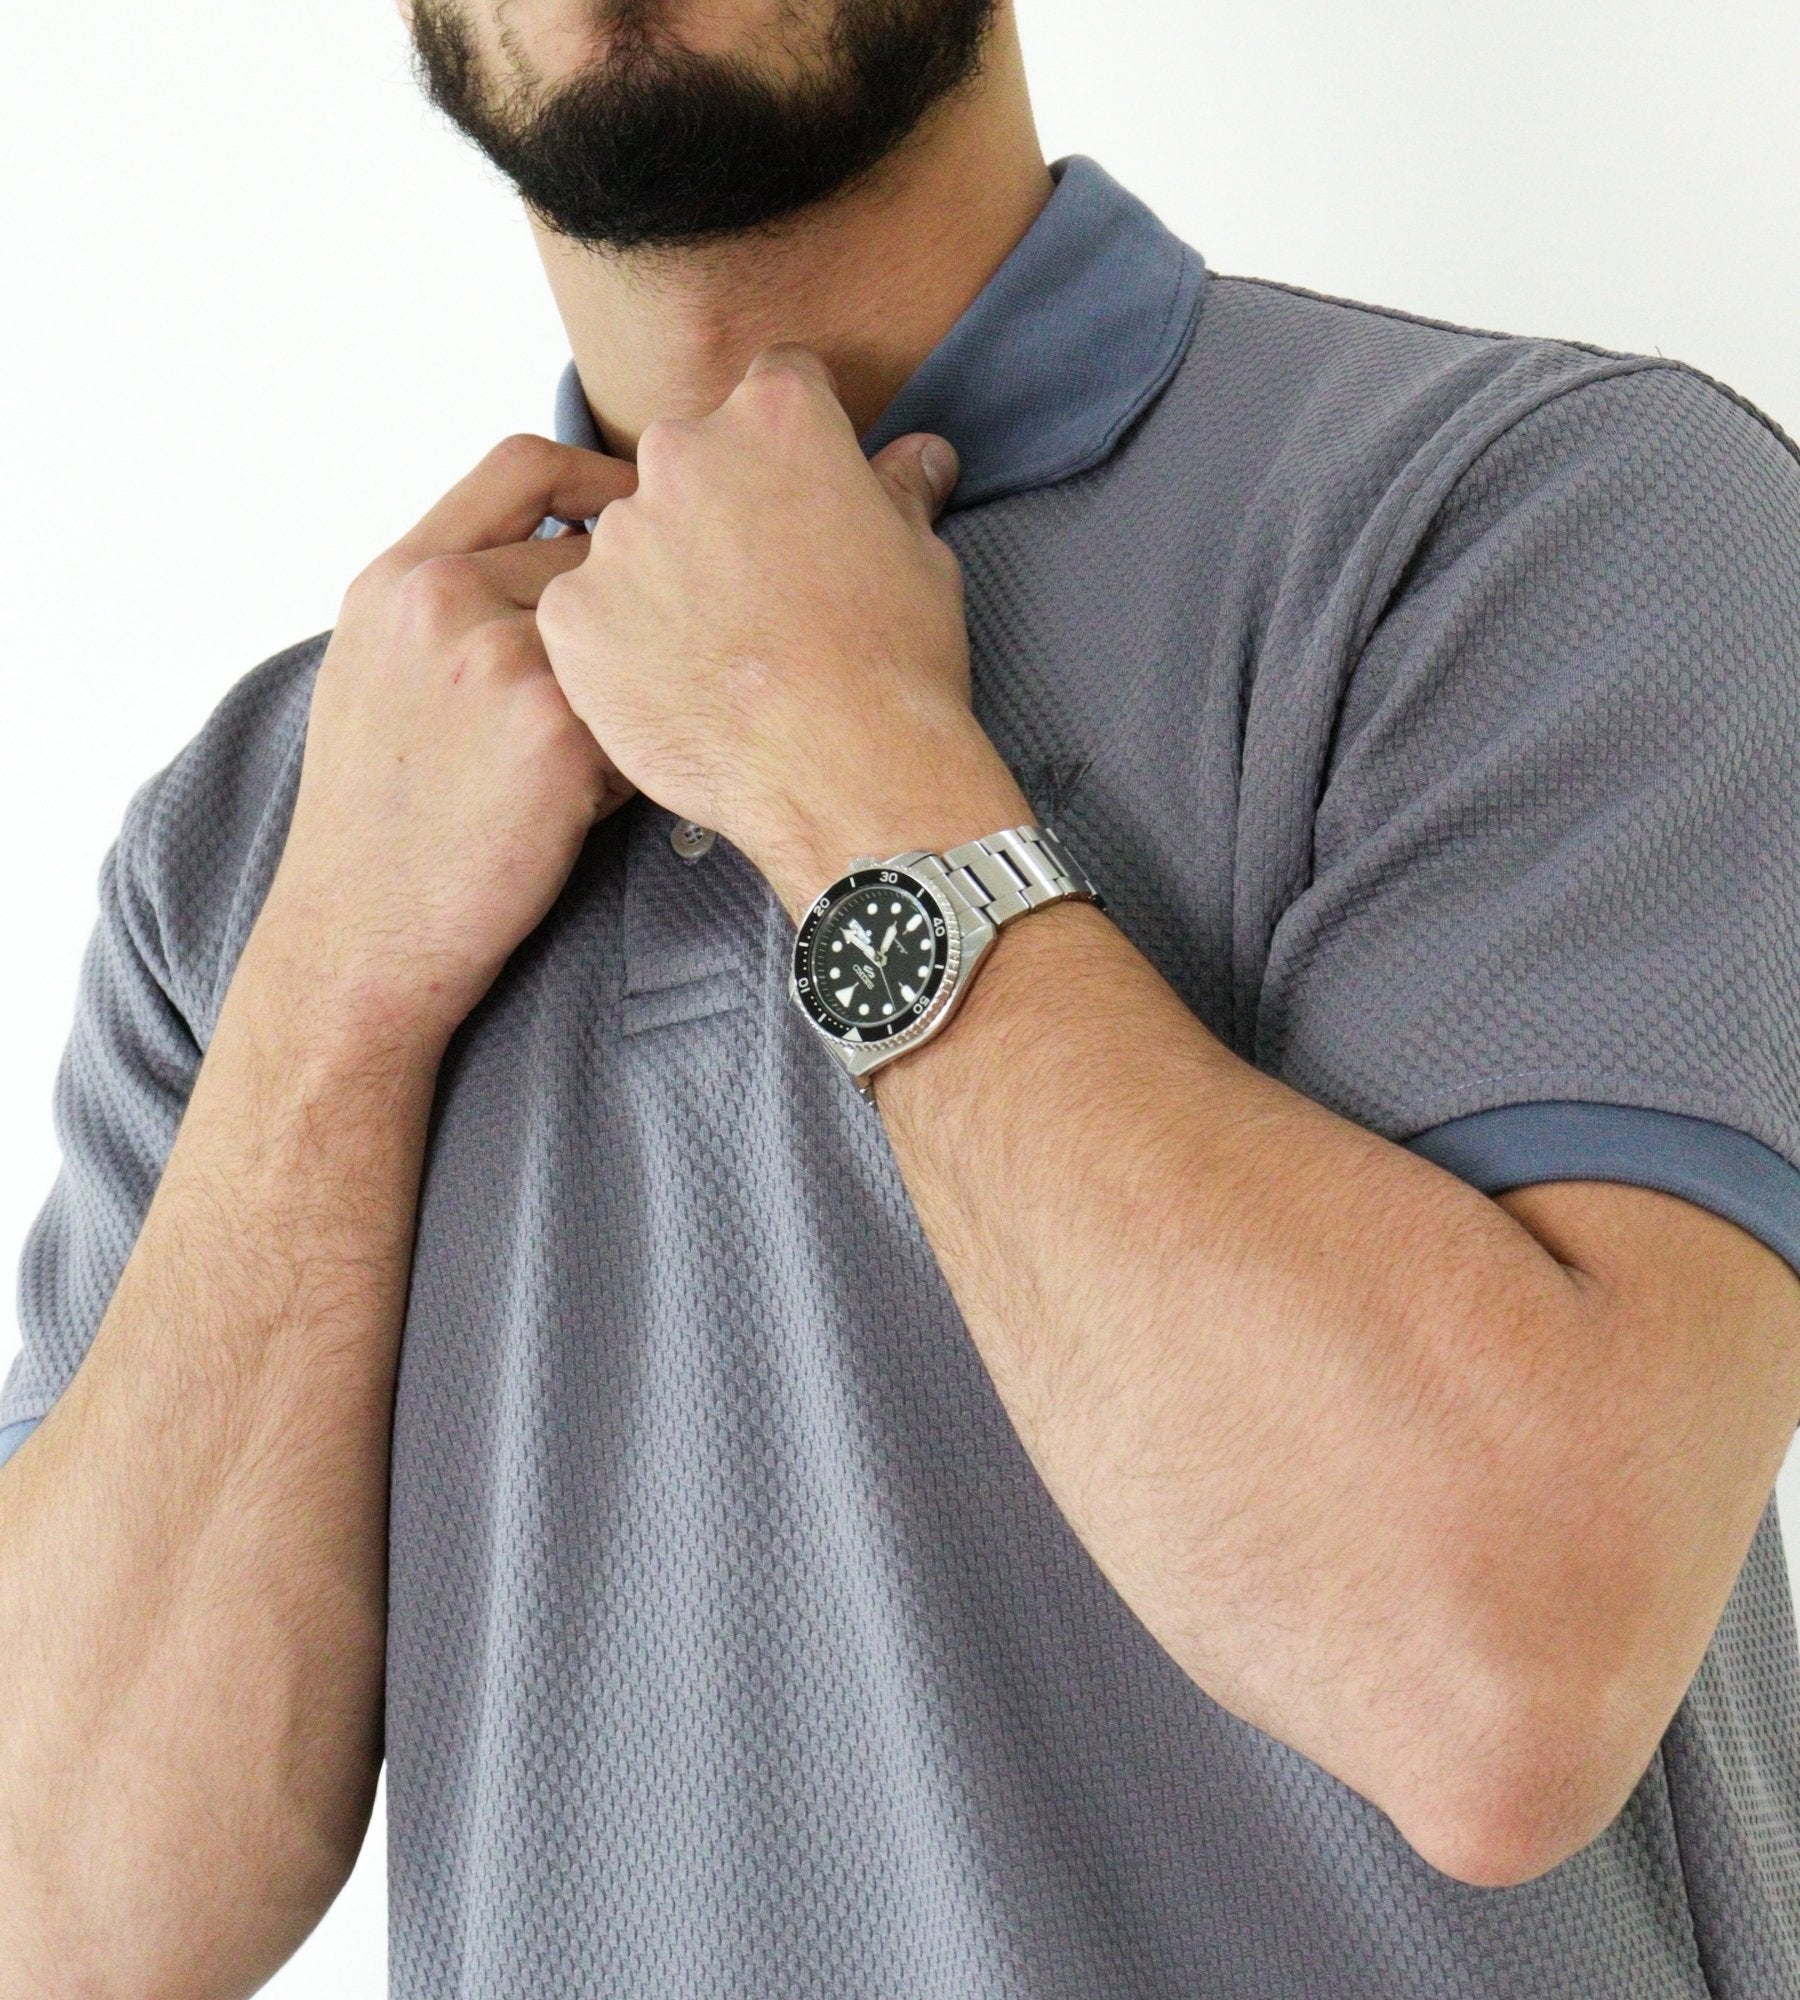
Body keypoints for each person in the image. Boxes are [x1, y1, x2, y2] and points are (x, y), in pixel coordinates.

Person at [2, 0, 1798, 1992]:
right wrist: (335, 982)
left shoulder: (1539, 523)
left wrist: (844, 768)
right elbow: (63, 1917)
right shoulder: (270, 830)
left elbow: (1499, 1691)